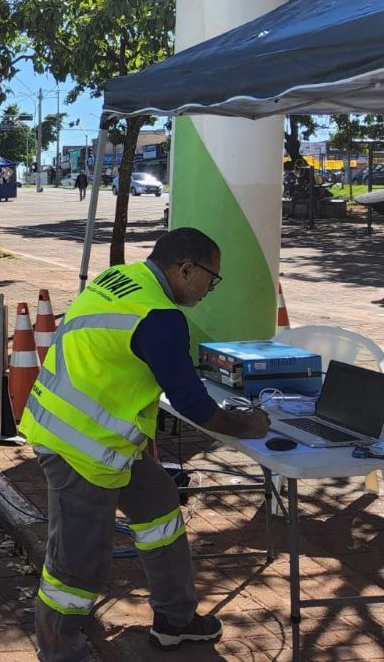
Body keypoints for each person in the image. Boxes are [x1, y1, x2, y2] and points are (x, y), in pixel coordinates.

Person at [18, 228, 270, 660]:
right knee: (76, 564)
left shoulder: (119, 277)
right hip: (81, 448)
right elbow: (193, 404)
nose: (210, 288)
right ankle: (60, 651)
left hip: (98, 437)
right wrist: (247, 426)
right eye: (211, 278)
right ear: (185, 269)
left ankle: (175, 619)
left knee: (160, 505)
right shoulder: (160, 317)